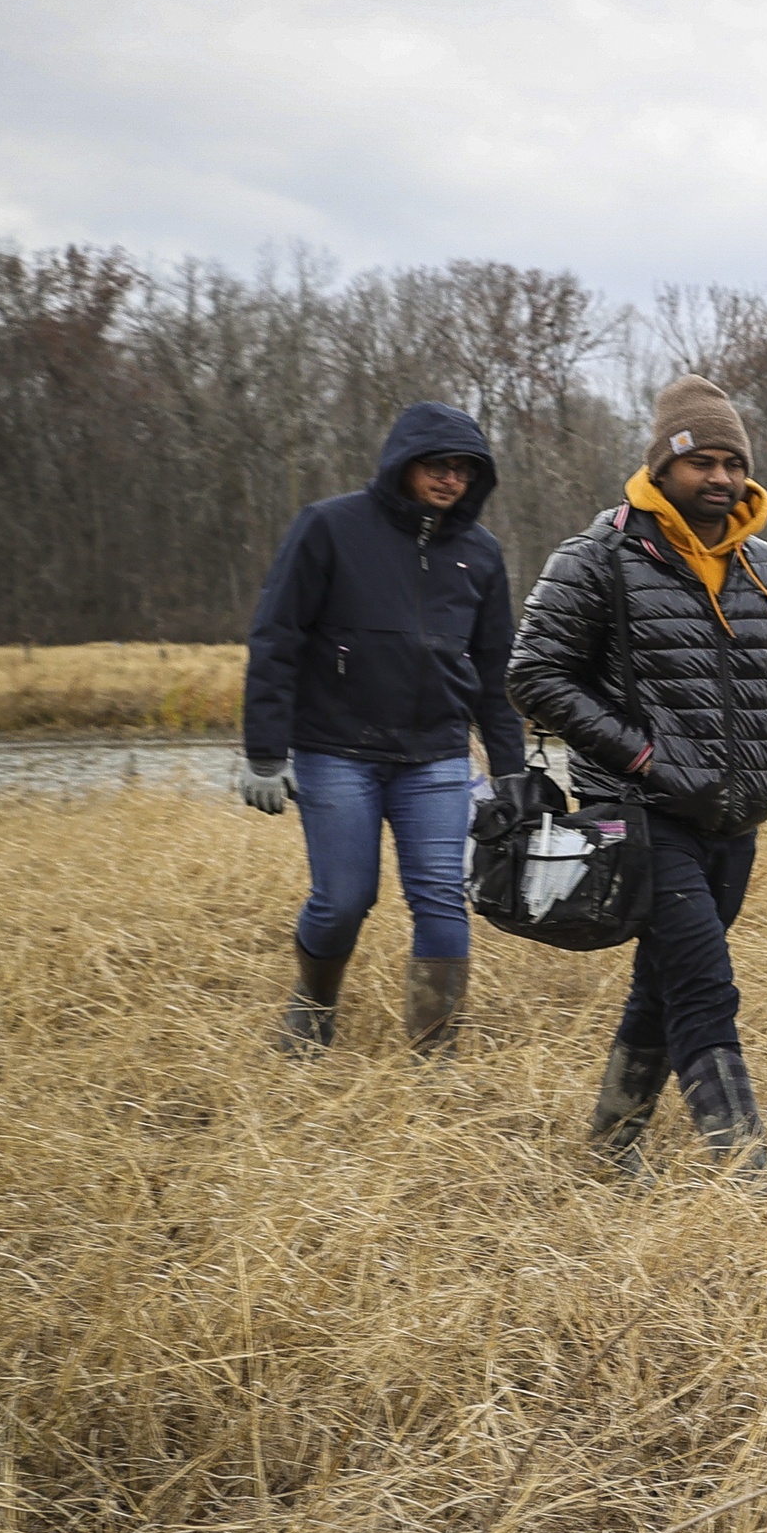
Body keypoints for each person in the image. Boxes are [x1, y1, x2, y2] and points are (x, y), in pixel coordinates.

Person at [506, 375, 767, 1182]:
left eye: (731, 462)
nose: (719, 478)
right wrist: (642, 757)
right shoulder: (599, 557)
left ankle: (611, 1150)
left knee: (665, 977)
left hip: (738, 813)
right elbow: (535, 673)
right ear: (662, 466)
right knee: (706, 983)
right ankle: (747, 1168)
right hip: (639, 813)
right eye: (699, 462)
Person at [236, 403, 528, 1057]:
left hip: (437, 758)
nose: (450, 480)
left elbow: (493, 669)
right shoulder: (327, 528)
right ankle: (313, 1007)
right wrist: (263, 753)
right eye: (437, 465)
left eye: (464, 470)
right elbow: (276, 637)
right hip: (336, 750)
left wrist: (511, 769)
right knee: (344, 899)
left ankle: (436, 1053)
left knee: (443, 902)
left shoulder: (480, 554)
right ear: (402, 463)